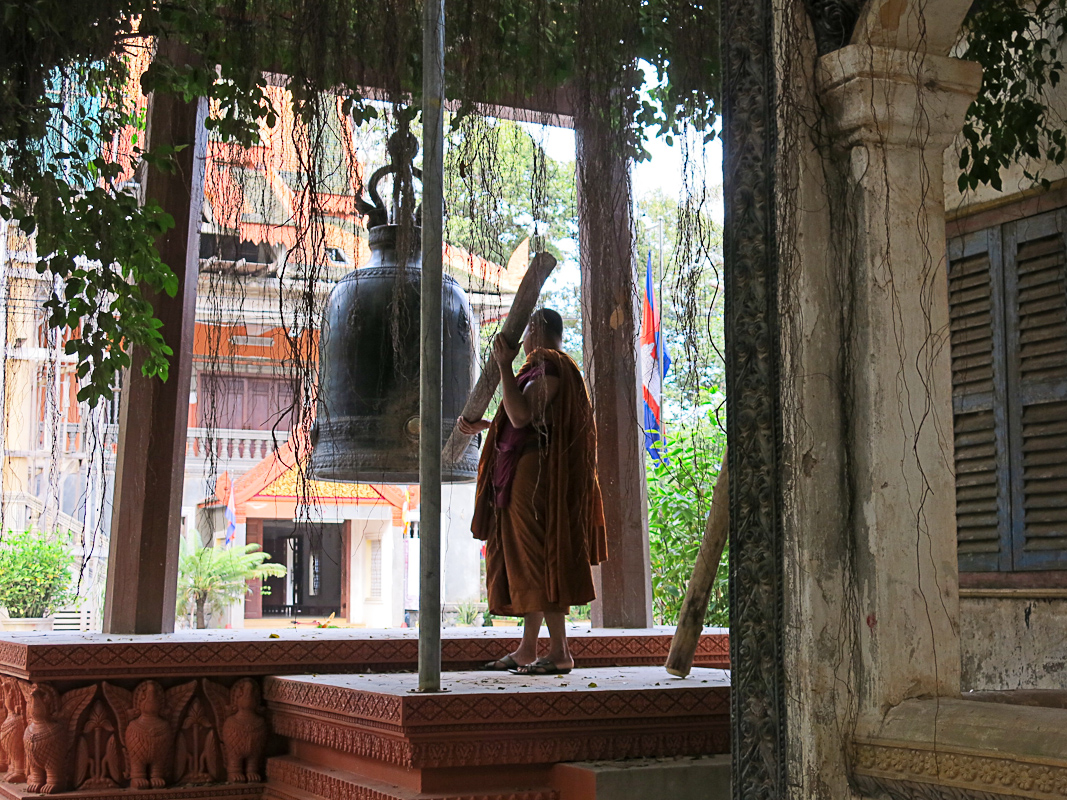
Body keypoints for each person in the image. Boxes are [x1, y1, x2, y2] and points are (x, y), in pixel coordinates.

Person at [457, 308, 607, 675]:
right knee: (525, 557)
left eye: (525, 333)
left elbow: (524, 416)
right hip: (521, 471)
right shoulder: (539, 370)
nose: (521, 341)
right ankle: (527, 649)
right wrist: (488, 426)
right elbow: (523, 420)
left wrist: (504, 366)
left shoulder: (552, 368)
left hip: (534, 475)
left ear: (537, 331)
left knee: (538, 556)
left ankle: (560, 652)